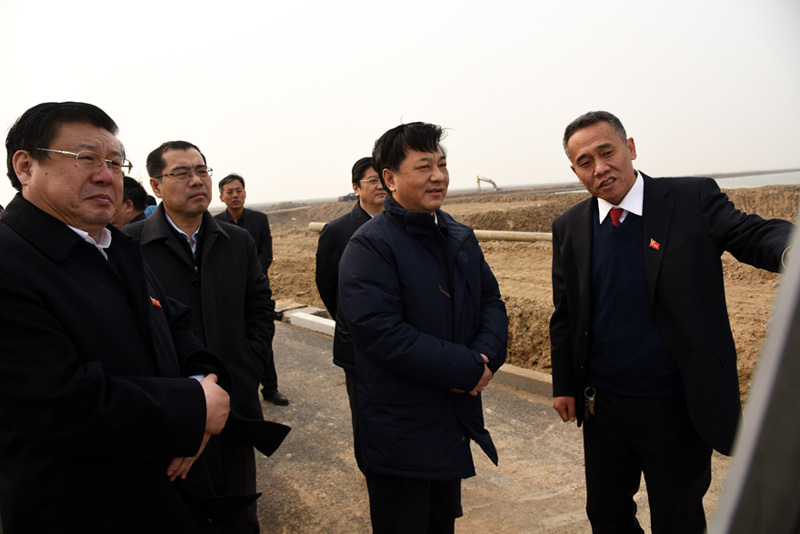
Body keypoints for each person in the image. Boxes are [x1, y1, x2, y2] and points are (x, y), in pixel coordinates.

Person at [550, 110, 795, 533]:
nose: (600, 168)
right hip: (603, 404)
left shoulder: (690, 199)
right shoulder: (569, 226)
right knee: (606, 513)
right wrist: (563, 384)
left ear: (630, 148)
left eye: (607, 152)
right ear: (575, 171)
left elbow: (748, 233)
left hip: (676, 403)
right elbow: (566, 312)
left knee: (677, 518)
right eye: (585, 162)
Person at [0, 102, 234, 531]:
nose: (106, 175)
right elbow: (60, 403)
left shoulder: (115, 246)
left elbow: (174, 322)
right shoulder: (12, 262)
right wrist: (192, 408)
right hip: (84, 508)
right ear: (26, 166)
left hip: (169, 494)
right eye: (86, 158)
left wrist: (203, 379)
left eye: (114, 162)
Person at [338, 122, 508, 533]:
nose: (438, 176)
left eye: (442, 164)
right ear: (390, 178)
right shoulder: (369, 245)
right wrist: (466, 368)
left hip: (451, 420)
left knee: (441, 522)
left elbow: (490, 301)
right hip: (401, 430)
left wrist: (485, 357)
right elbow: (382, 333)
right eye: (424, 166)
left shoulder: (458, 236)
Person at [124, 141, 277, 533]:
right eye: (181, 173)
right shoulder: (129, 246)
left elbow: (260, 310)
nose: (196, 180)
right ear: (156, 186)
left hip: (236, 407)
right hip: (171, 418)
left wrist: (246, 370)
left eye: (202, 170)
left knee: (240, 516)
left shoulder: (237, 241)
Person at [315, 156, 385, 471]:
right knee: (364, 409)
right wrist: (348, 320)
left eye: (384, 179)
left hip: (400, 338)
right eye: (372, 181)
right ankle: (369, 467)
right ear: (356, 188)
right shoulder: (337, 230)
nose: (381, 186)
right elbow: (327, 284)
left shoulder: (403, 222)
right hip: (357, 342)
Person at [214, 173, 288, 406]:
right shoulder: (215, 223)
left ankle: (270, 388)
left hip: (256, 289)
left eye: (239, 190)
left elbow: (266, 253)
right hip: (227, 291)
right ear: (221, 197)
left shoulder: (259, 219)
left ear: (245, 194)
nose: (235, 195)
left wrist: (251, 277)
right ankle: (236, 387)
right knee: (231, 339)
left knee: (261, 335)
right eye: (229, 192)